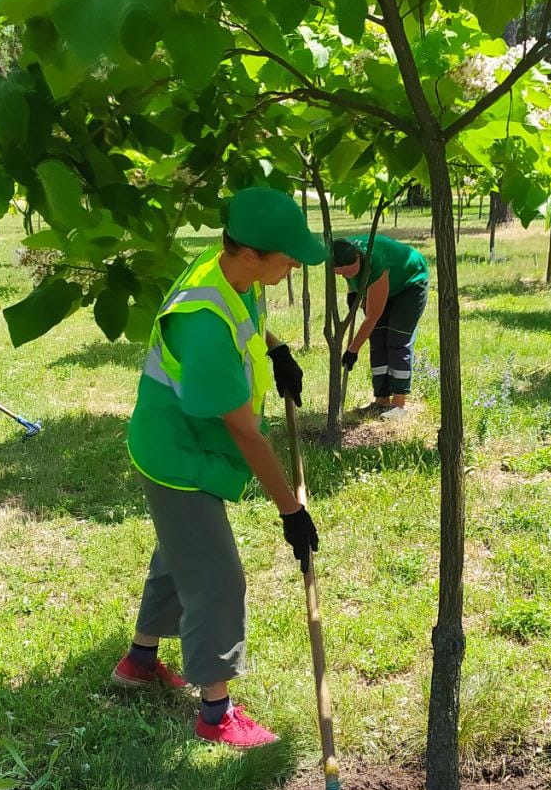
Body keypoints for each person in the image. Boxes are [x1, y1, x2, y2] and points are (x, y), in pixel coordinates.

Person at [113, 187, 326, 748]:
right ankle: (215, 714)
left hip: (187, 444)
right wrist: (291, 511)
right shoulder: (203, 322)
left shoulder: (229, 272)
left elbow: (248, 323)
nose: (294, 265)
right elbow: (246, 434)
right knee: (215, 577)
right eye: (287, 256)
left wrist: (276, 350)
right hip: (175, 454)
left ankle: (139, 660)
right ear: (252, 252)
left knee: (180, 552)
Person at [332, 233, 429, 419]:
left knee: (397, 339)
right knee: (377, 339)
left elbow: (372, 316)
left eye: (349, 271)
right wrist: (353, 292)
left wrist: (352, 350)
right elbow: (355, 282)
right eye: (340, 273)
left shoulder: (374, 263)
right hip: (386, 285)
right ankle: (381, 400)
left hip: (410, 283)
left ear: (359, 257)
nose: (344, 275)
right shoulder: (342, 252)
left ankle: (398, 404)